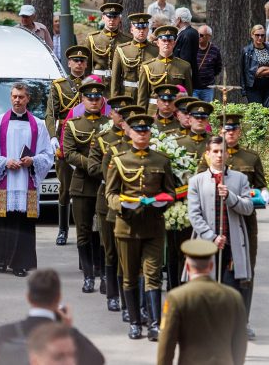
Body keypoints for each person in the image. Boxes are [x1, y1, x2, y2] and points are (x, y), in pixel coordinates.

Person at [197, 113, 269, 340]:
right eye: (226, 130)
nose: (230, 133)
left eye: (234, 130)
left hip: (244, 224)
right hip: (216, 222)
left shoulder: (251, 157)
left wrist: (261, 196)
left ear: (239, 132)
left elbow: (261, 187)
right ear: (220, 132)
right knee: (213, 272)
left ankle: (242, 321)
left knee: (245, 273)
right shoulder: (209, 157)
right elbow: (200, 184)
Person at [106, 114, 175, 341]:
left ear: (150, 133)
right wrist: (122, 205)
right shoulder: (119, 160)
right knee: (130, 277)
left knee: (153, 276)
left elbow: (171, 192)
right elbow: (111, 193)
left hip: (153, 226)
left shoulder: (162, 161)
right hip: (127, 227)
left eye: (146, 131)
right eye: (138, 131)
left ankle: (155, 324)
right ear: (131, 133)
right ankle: (135, 322)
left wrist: (162, 202)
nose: (142, 134)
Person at [0, 83, 53, 277]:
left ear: (28, 98)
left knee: (22, 224)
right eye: (14, 96)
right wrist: (5, 162)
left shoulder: (38, 125)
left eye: (21, 97)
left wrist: (33, 160)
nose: (17, 100)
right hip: (5, 181)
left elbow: (47, 154)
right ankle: (1, 258)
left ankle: (20, 263)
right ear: (10, 97)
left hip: (25, 183)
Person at [157, 239, 247, 365]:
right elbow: (240, 343)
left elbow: (166, 345)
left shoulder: (177, 298)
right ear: (211, 266)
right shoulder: (234, 297)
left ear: (187, 267)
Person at [187, 136, 254, 302]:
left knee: (230, 291)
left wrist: (231, 197)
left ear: (227, 154)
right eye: (215, 151)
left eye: (222, 151)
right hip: (206, 244)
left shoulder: (240, 179)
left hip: (232, 245)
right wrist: (213, 237)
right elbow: (194, 215)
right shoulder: (196, 181)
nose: (219, 155)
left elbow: (248, 208)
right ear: (207, 154)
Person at [0, 269, 104, 365]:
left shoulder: (6, 332)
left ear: (28, 297)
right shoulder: (66, 337)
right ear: (58, 297)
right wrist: (67, 329)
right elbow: (97, 359)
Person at [87, 96, 134, 312]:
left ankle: (128, 297)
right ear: (112, 114)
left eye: (126, 115)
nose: (122, 119)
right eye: (118, 113)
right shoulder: (104, 139)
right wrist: (114, 176)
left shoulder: (139, 142)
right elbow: (93, 167)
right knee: (110, 250)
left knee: (129, 252)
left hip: (132, 202)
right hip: (107, 199)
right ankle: (112, 294)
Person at [63, 81, 110, 293]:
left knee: (102, 231)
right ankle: (88, 275)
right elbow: (69, 153)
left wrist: (100, 169)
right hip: (82, 185)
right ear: (83, 100)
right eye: (89, 98)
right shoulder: (74, 124)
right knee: (82, 231)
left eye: (97, 98)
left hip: (103, 184)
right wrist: (92, 165)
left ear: (101, 101)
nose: (93, 101)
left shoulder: (109, 125)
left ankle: (103, 273)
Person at [45, 46, 89, 246]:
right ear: (69, 63)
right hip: (66, 136)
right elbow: (50, 113)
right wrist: (53, 136)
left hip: (88, 137)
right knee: (65, 187)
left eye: (82, 61)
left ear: (86, 64)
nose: (79, 64)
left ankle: (86, 230)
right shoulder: (59, 85)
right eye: (75, 61)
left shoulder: (92, 85)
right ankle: (62, 230)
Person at [137, 25, 193, 113]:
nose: (167, 43)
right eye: (163, 40)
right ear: (157, 43)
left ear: (174, 43)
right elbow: (142, 97)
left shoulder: (184, 66)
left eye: (170, 40)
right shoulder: (147, 66)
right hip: (153, 112)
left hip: (175, 112)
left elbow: (188, 96)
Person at [84, 3, 130, 95]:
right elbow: (87, 65)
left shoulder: (127, 39)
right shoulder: (92, 38)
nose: (112, 20)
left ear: (119, 19)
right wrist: (87, 84)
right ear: (103, 18)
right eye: (109, 17)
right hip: (98, 82)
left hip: (118, 83)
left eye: (115, 17)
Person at [110, 13, 158, 98]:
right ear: (131, 29)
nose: (141, 31)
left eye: (144, 28)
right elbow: (115, 79)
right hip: (127, 96)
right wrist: (115, 101)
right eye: (138, 28)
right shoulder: (122, 49)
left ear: (148, 29)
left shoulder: (156, 50)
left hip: (147, 96)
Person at [240, 24, 269, 108]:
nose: (260, 37)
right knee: (257, 111)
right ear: (252, 35)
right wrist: (243, 90)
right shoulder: (247, 51)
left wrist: (262, 69)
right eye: (257, 35)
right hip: (253, 86)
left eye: (262, 35)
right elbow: (245, 72)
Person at [193, 25, 222, 102]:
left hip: (208, 89)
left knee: (206, 111)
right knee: (193, 110)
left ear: (208, 37)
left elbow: (218, 67)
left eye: (201, 35)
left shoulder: (215, 50)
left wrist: (209, 75)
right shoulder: (192, 47)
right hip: (193, 88)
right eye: (197, 34)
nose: (198, 37)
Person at [173, 7, 199, 88]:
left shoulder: (186, 34)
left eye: (175, 18)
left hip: (183, 74)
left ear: (179, 19)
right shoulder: (192, 32)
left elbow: (185, 58)